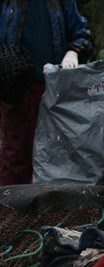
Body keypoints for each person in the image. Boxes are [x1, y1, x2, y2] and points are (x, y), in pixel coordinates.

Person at [0, 0, 92, 186]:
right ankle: (12, 208)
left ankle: (53, 207)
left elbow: (82, 35)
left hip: (54, 88)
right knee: (17, 151)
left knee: (58, 152)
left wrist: (73, 51)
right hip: (15, 87)